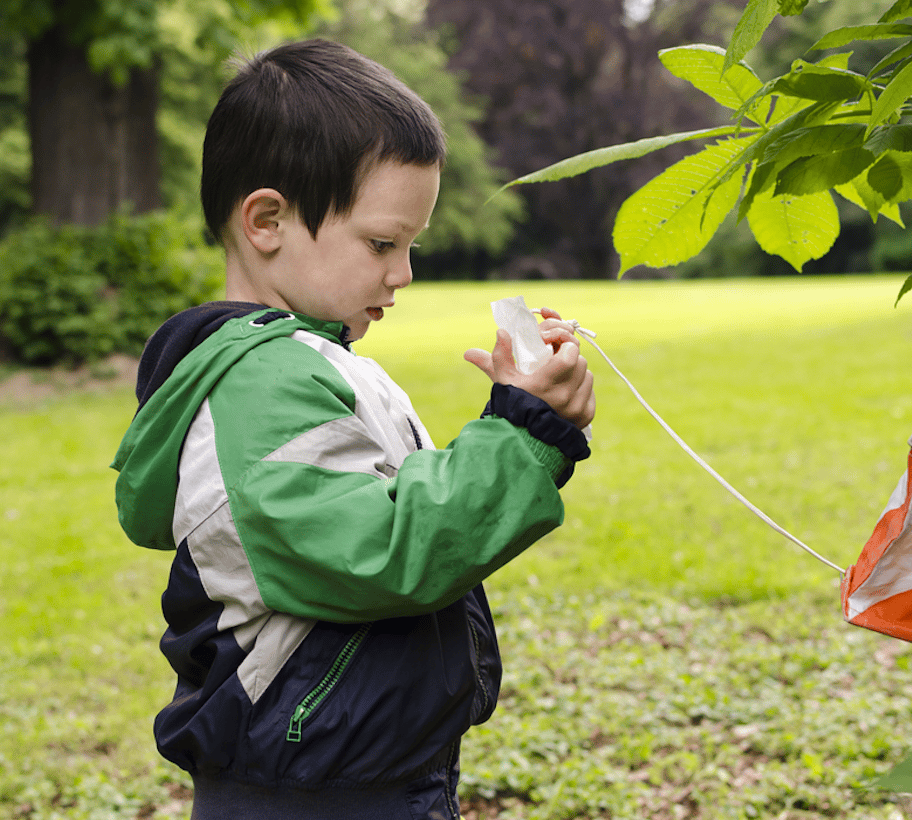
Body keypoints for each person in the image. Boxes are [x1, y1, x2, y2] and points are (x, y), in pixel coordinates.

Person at [112, 38, 595, 820]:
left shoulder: (306, 362)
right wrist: (522, 430)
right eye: (382, 244)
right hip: (311, 793)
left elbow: (411, 513)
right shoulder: (259, 383)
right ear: (267, 220)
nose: (402, 274)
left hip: (358, 769)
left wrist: (527, 421)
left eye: (409, 246)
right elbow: (387, 551)